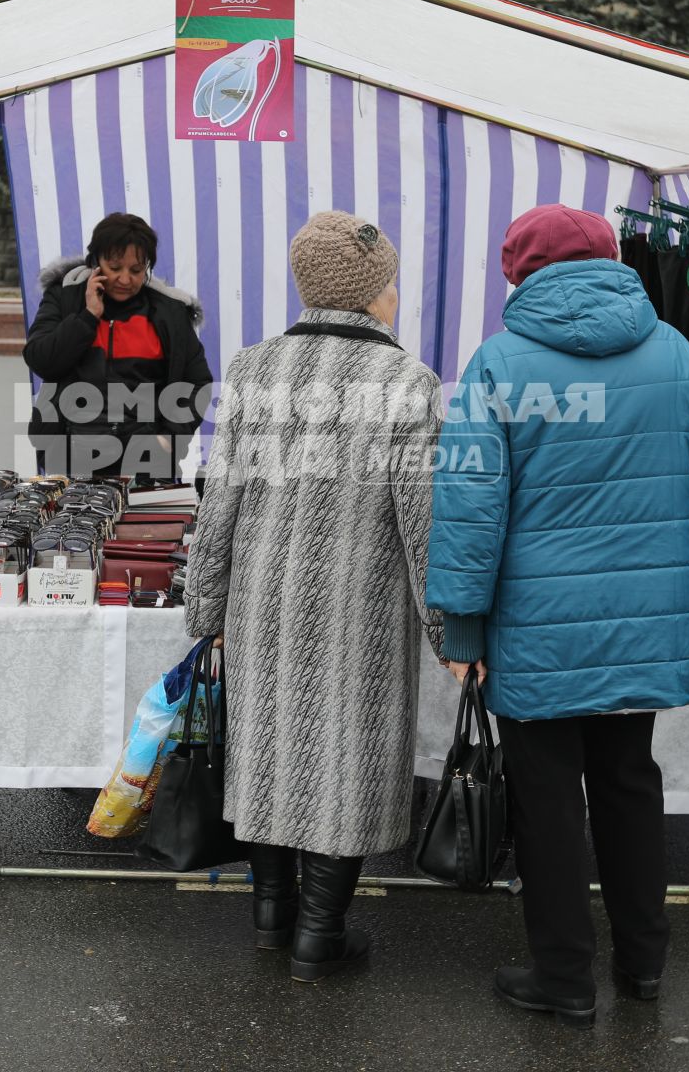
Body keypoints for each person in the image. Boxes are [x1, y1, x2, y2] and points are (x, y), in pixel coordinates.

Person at [427, 203, 689, 1026]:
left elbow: (470, 504)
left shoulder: (497, 364)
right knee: (630, 781)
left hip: (537, 624)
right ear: (613, 260)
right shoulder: (673, 351)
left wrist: (463, 625)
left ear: (519, 273)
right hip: (646, 613)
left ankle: (565, 978)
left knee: (546, 798)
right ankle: (643, 964)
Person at [183, 211, 446, 984]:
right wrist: (446, 628)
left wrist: (207, 607)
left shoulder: (255, 368)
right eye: (388, 280)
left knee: (268, 750)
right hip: (357, 608)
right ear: (370, 292)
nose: (395, 294)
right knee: (346, 757)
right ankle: (319, 937)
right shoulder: (408, 382)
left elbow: (219, 497)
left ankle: (272, 921)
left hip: (261, 600)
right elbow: (422, 517)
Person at [23, 213, 213, 479]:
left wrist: (169, 437)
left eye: (136, 270)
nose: (125, 279)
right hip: (72, 459)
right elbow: (41, 359)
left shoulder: (169, 310)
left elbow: (198, 382)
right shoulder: (65, 296)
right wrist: (88, 316)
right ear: (95, 261)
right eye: (115, 268)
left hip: (148, 464)